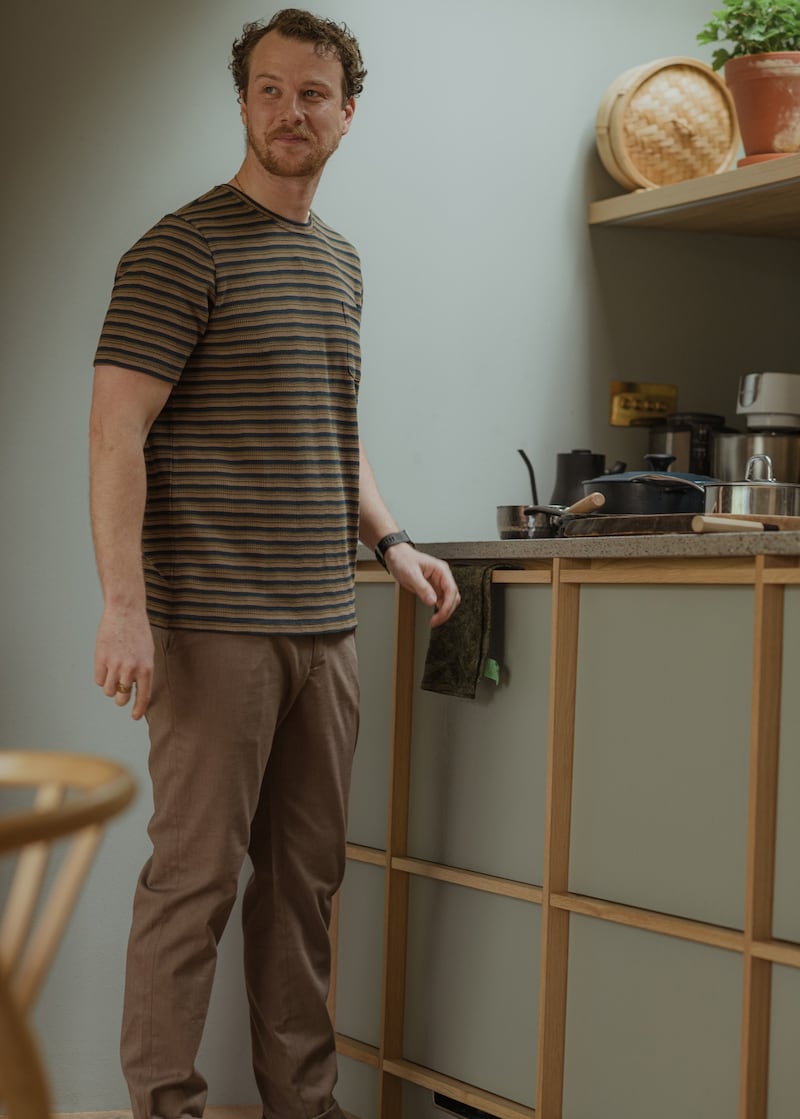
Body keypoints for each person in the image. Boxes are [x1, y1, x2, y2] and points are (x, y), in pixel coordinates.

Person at [88, 10, 460, 1119]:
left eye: (312, 92)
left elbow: (329, 431)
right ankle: (165, 1107)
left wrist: (390, 542)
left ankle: (303, 1105)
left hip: (322, 628)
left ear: (347, 110)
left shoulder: (337, 263)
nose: (289, 112)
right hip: (210, 629)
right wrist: (125, 611)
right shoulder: (179, 249)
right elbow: (116, 434)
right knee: (192, 885)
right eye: (267, 90)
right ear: (241, 104)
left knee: (304, 887)